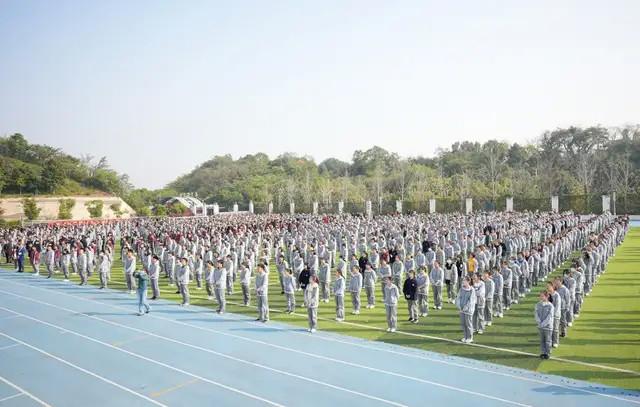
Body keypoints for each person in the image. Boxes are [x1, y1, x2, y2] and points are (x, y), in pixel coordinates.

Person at [456, 276, 477, 343]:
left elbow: (471, 301)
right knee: (463, 323)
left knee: (468, 324)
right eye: (463, 280)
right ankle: (465, 336)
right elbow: (458, 298)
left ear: (468, 281)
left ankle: (470, 337)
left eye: (464, 280)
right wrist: (459, 306)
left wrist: (465, 308)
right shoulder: (461, 289)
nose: (463, 282)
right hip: (461, 309)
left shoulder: (472, 290)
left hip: (468, 310)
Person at [535, 291, 554, 359]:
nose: (541, 297)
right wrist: (539, 322)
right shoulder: (538, 304)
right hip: (540, 326)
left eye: (542, 296)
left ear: (547, 296)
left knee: (548, 340)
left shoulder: (550, 306)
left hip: (548, 327)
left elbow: (550, 317)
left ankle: (548, 353)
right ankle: (543, 352)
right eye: (540, 296)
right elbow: (536, 314)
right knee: (541, 340)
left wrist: (543, 324)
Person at [546, 281, 561, 348]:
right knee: (549, 329)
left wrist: (552, 314)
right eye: (547, 286)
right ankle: (549, 341)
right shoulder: (547, 295)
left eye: (549, 286)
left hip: (555, 315)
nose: (547, 287)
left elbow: (557, 306)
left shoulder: (557, 295)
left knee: (555, 329)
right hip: (548, 315)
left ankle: (555, 342)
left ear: (553, 287)